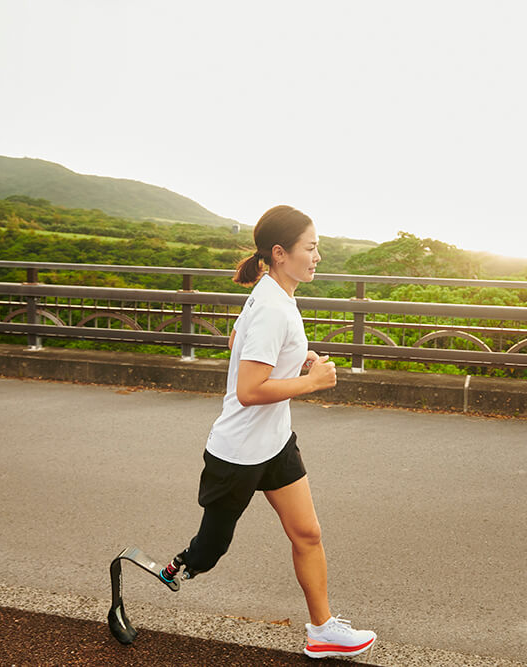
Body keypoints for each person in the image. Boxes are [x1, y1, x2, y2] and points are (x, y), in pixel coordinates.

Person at [160, 205, 376, 659]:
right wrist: (312, 382)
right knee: (208, 551)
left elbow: (238, 344)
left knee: (308, 534)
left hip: (275, 444)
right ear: (280, 253)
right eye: (311, 248)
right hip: (238, 454)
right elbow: (248, 389)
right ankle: (174, 569)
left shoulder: (273, 292)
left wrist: (300, 360)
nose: (319, 256)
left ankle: (322, 629)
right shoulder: (273, 308)